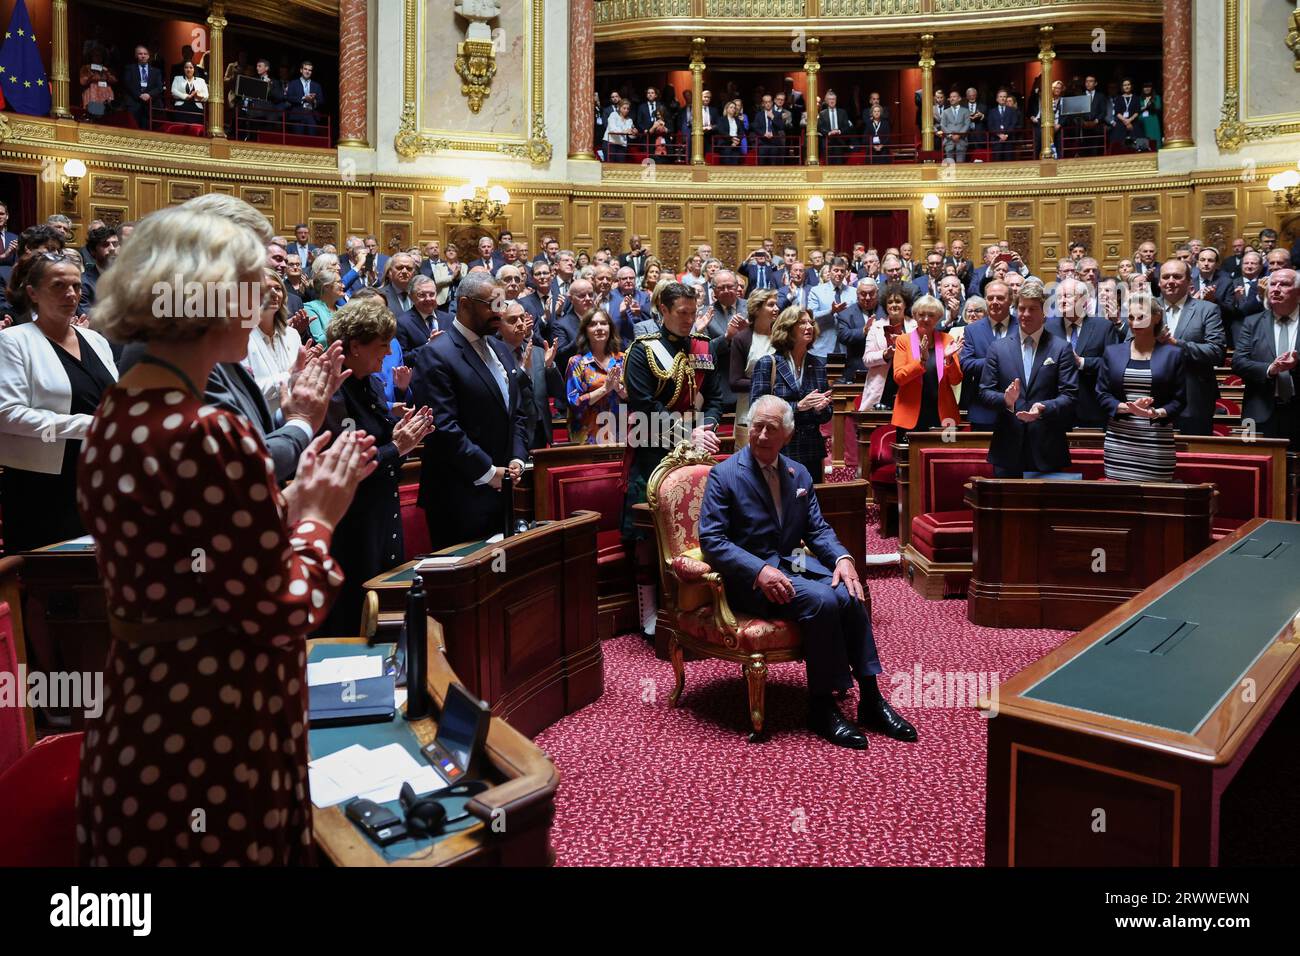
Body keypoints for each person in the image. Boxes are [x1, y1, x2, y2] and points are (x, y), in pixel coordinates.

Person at [77, 203, 377, 866]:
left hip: (138, 718)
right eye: (253, 286)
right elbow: (282, 610)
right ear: (209, 298)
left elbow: (200, 559)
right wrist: (317, 518)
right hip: (214, 733)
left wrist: (285, 505)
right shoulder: (209, 431)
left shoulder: (119, 408)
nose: (266, 300)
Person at [698, 394, 917, 750]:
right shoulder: (724, 475)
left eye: (772, 428)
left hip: (793, 562)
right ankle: (821, 706)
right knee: (822, 601)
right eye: (757, 426)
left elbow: (816, 530)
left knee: (850, 592)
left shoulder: (796, 472)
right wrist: (759, 572)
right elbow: (713, 540)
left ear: (787, 434)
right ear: (747, 428)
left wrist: (843, 559)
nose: (763, 435)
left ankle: (872, 699)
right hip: (749, 579)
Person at [317, 296, 435, 635]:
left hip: (381, 515)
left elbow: (382, 442)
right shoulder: (333, 389)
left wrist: (400, 436)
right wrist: (398, 446)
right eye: (382, 346)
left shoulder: (371, 382)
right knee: (355, 618)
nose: (387, 354)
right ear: (355, 346)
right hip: (351, 528)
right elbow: (347, 462)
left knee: (384, 611)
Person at [622, 282, 725, 637]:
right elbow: (643, 408)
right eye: (681, 313)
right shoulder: (641, 351)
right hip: (653, 451)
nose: (688, 319)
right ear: (662, 311)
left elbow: (714, 397)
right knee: (649, 536)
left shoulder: (702, 347)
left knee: (700, 529)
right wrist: (688, 433)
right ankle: (650, 614)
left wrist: (707, 427)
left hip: (698, 453)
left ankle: (696, 605)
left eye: (693, 313)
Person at [0, 254, 118, 552]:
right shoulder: (14, 341)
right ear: (33, 293)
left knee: (96, 577)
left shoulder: (96, 340)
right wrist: (88, 425)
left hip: (98, 475)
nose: (71, 294)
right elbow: (7, 414)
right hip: (42, 484)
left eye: (77, 286)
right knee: (50, 583)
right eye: (58, 286)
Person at [407, 271, 529, 550]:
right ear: (464, 304)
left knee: (502, 578)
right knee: (466, 588)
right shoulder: (436, 354)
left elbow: (517, 413)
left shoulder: (500, 348)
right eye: (492, 305)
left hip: (503, 489)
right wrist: (488, 472)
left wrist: (517, 459)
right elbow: (443, 427)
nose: (500, 313)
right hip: (458, 496)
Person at [978, 278, 1078, 477]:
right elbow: (984, 391)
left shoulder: (1061, 348)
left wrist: (1043, 408)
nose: (1025, 314)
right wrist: (1005, 400)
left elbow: (1070, 395)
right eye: (1021, 308)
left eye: (1032, 309)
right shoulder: (998, 348)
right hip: (1007, 448)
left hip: (1047, 446)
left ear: (1045, 312)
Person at [1097, 293, 1186, 480]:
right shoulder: (1113, 353)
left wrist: (1156, 413)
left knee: (1155, 502)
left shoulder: (1173, 354)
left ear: (1156, 317)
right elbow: (1102, 394)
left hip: (1156, 443)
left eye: (1141, 317)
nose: (1135, 323)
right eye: (1130, 317)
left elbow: (1179, 400)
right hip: (1119, 442)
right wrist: (1127, 408)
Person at [749, 307, 832, 478]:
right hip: (778, 449)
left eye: (810, 322)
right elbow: (756, 408)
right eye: (802, 323)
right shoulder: (767, 364)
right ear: (787, 328)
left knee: (808, 502)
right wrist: (798, 407)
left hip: (810, 451)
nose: (809, 326)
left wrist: (820, 409)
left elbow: (826, 416)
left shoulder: (817, 365)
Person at [1156, 258, 1226, 435]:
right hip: (1152, 399)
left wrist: (1176, 344)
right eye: (1166, 277)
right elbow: (1128, 346)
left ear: (1189, 282)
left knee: (1194, 458)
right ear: (1159, 282)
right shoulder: (1145, 307)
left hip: (1194, 398)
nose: (1171, 281)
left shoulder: (1207, 309)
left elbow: (1217, 352)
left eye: (1177, 276)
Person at [1233, 268, 1300, 448]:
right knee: (1260, 470)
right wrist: (1270, 369)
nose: (1276, 289)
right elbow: (1239, 362)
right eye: (1272, 284)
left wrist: (1296, 364)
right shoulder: (1252, 322)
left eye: (1284, 284)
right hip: (1260, 410)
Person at [890, 294, 962, 443]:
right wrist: (921, 360)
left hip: (943, 414)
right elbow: (899, 377)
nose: (926, 319)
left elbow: (956, 380)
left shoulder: (947, 339)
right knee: (909, 462)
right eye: (921, 314)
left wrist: (949, 359)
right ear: (915, 316)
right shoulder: (904, 341)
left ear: (938, 318)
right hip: (910, 413)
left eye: (931, 315)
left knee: (942, 462)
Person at [1046, 278, 1111, 429]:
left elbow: (1113, 366)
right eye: (1059, 296)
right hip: (1056, 409)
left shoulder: (1103, 327)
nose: (1062, 300)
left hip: (1092, 407)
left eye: (1068, 296)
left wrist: (1081, 362)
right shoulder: (1048, 328)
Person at [244, 269, 304, 416]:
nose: (274, 293)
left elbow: (298, 384)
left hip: (294, 418)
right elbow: (249, 391)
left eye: (278, 288)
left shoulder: (292, 334)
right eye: (265, 288)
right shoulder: (242, 337)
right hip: (261, 422)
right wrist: (290, 374)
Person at [565, 310, 626, 444]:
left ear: (610, 328)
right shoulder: (576, 362)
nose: (599, 328)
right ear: (585, 330)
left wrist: (618, 388)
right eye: (593, 324)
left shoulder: (623, 359)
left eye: (603, 323)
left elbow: (635, 397)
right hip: (588, 437)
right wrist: (604, 389)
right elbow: (574, 402)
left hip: (621, 435)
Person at [729, 288, 780, 448]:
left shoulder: (781, 338)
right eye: (771, 305)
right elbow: (735, 382)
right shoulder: (742, 338)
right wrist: (765, 384)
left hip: (778, 409)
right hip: (748, 409)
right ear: (757, 309)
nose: (776, 308)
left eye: (776, 304)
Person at [122, 45, 164, 130]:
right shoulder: (129, 68)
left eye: (145, 54)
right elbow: (128, 84)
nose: (143, 56)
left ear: (148, 56)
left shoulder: (156, 71)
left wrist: (149, 94)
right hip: (134, 103)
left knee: (148, 131)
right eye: (140, 54)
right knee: (132, 130)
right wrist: (139, 95)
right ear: (136, 56)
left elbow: (159, 87)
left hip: (150, 104)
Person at [304, 268, 346, 345]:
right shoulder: (310, 308)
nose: (343, 285)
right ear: (326, 287)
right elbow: (320, 341)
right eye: (339, 282)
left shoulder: (343, 310)